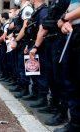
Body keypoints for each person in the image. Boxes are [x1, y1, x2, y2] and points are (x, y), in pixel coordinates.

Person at [54, 1, 80, 131]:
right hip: (73, 33)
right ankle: (75, 123)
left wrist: (64, 19)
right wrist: (66, 22)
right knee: (72, 82)